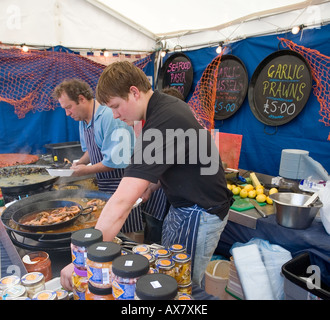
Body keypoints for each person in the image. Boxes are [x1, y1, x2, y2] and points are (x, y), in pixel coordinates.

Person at [60, 62, 233, 290]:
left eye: (116, 106)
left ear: (134, 92)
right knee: (166, 276)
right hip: (186, 206)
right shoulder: (165, 107)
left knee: (179, 286)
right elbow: (183, 158)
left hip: (200, 211)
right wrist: (152, 185)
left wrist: (84, 257)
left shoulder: (163, 120)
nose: (114, 115)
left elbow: (123, 201)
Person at [52, 79, 143, 236]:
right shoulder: (83, 120)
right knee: (109, 233)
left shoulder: (109, 117)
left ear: (81, 99)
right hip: (104, 185)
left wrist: (83, 171)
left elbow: (116, 161)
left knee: (129, 233)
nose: (67, 113)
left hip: (123, 183)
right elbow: (91, 150)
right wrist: (79, 164)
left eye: (69, 107)